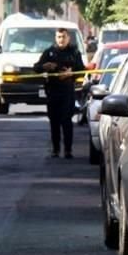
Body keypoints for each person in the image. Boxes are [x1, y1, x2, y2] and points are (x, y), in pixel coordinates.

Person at [34, 28, 85, 159]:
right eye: (58, 37)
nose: (61, 40)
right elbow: (36, 67)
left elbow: (82, 70)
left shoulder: (74, 52)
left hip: (67, 91)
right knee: (54, 121)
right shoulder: (50, 52)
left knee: (66, 120)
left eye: (63, 37)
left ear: (68, 38)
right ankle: (55, 149)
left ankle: (68, 150)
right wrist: (45, 67)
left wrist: (71, 72)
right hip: (52, 91)